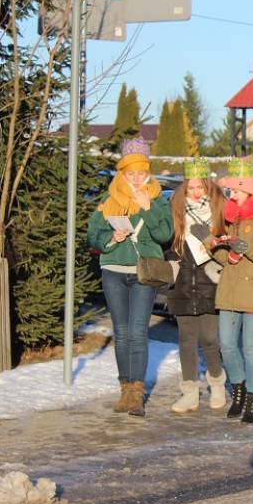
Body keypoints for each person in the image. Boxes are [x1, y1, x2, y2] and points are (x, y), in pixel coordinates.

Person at [87, 137, 173, 417]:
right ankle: (125, 388)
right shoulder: (109, 200)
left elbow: (164, 235)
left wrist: (147, 209)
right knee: (121, 333)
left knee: (138, 332)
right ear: (122, 173)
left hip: (142, 273)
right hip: (113, 270)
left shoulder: (158, 200)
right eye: (130, 173)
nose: (136, 179)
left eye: (141, 173)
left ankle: (136, 392)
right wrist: (111, 236)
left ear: (148, 173)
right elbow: (92, 234)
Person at [211, 157, 253, 425]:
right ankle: (238, 390)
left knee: (250, 347)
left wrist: (245, 247)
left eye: (236, 190)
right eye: (230, 190)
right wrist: (218, 249)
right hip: (231, 288)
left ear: (250, 190)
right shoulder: (230, 216)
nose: (232, 194)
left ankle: (252, 396)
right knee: (227, 345)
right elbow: (222, 255)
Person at [164, 158, 227, 413]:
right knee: (186, 339)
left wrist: (214, 243)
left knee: (210, 338)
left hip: (209, 281)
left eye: (200, 187)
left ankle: (217, 384)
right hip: (182, 283)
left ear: (208, 188)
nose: (196, 192)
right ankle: (189, 392)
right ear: (184, 190)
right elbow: (165, 244)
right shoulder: (175, 213)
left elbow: (227, 246)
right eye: (191, 188)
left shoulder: (218, 213)